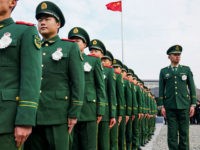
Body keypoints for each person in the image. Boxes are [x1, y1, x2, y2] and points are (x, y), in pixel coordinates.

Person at [24, 2, 84, 150]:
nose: (42, 22)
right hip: (34, 116)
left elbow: (78, 82)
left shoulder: (69, 47)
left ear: (58, 24)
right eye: (39, 20)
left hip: (58, 115)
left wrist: (74, 113)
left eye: (47, 19)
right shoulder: (33, 46)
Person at [0, 0, 42, 149]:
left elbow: (31, 78)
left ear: (12, 2)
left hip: (5, 121)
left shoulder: (24, 31)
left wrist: (25, 120)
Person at [68, 31, 106, 150]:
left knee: (89, 145)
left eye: (77, 40)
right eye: (72, 40)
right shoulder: (64, 58)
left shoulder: (93, 61)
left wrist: (100, 110)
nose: (74, 42)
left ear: (85, 45)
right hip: (68, 109)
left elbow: (100, 86)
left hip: (88, 109)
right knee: (71, 145)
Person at [158, 45, 197, 150]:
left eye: (179, 55)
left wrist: (193, 104)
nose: (177, 57)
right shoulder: (164, 71)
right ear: (169, 57)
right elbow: (161, 89)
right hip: (170, 106)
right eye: (175, 55)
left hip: (184, 106)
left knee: (184, 133)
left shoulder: (186, 70)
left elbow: (192, 87)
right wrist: (161, 106)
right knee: (172, 135)